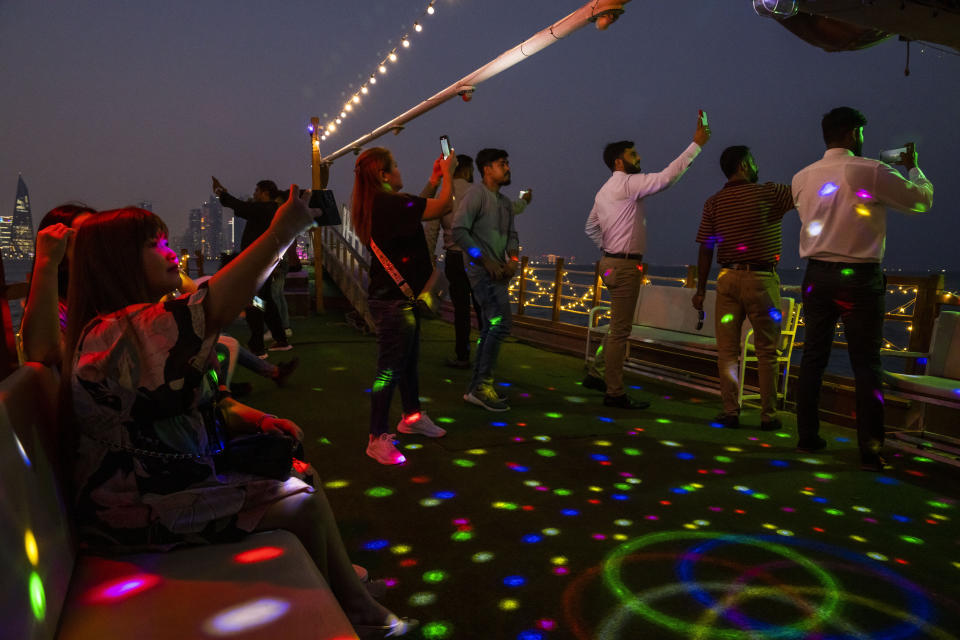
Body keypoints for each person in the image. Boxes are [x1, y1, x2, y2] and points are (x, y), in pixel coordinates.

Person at [62, 195, 414, 637]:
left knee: (302, 475)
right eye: (155, 245)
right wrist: (282, 232)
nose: (172, 252)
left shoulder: (133, 326)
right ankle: (347, 612)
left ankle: (348, 602)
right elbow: (213, 307)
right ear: (118, 262)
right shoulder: (116, 332)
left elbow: (204, 385)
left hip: (166, 484)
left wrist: (262, 421)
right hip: (132, 512)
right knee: (299, 503)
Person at [792, 106, 933, 471]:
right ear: (854, 133)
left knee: (812, 358)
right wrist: (913, 166)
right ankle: (870, 449)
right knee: (866, 365)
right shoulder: (869, 170)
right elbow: (921, 200)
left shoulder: (801, 178)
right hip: (860, 278)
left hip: (816, 276)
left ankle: (807, 435)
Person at [584, 113, 711, 408]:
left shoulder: (604, 191)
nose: (639, 157)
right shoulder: (627, 184)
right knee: (620, 331)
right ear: (619, 162)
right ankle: (613, 392)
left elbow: (591, 227)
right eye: (633, 154)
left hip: (610, 263)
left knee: (617, 324)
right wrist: (696, 144)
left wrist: (609, 248)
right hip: (625, 266)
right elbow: (667, 178)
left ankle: (596, 372)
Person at [350, 147, 456, 465]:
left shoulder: (379, 203)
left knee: (406, 362)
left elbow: (414, 206)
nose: (398, 169)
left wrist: (433, 179)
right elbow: (440, 207)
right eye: (393, 166)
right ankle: (376, 437)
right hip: (394, 301)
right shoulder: (388, 203)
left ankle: (411, 417)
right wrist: (448, 174)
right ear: (383, 175)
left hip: (397, 297)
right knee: (389, 370)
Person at [692, 146, 794, 430]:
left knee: (727, 350)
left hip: (726, 279)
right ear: (746, 165)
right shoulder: (770, 193)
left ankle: (730, 411)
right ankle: (768, 415)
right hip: (761, 279)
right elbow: (805, 193)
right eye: (753, 161)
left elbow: (705, 249)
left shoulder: (713, 203)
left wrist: (700, 290)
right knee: (767, 350)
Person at [452, 148, 529, 412]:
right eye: (502, 164)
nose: (507, 168)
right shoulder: (476, 194)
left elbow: (512, 236)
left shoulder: (506, 203)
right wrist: (483, 260)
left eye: (507, 163)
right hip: (482, 273)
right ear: (487, 169)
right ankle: (481, 385)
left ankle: (478, 387)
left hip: (499, 274)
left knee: (489, 327)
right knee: (501, 323)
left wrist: (513, 262)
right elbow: (459, 230)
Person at [213, 176, 291, 355]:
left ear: (264, 193)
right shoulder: (272, 210)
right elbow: (243, 208)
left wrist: (222, 193)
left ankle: (257, 347)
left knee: (254, 302)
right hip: (263, 264)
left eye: (257, 191)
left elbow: (241, 207)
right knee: (266, 302)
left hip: (256, 265)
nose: (254, 193)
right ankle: (281, 340)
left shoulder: (265, 209)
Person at [20, 204, 97, 365]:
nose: (101, 245)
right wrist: (46, 262)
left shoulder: (113, 294)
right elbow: (43, 353)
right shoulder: (61, 308)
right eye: (86, 238)